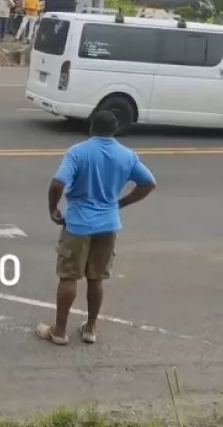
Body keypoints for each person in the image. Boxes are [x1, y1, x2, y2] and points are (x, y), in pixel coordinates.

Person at [37, 110, 157, 345]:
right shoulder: (127, 155)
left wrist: (54, 209)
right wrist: (120, 203)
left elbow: (57, 183)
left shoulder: (78, 153)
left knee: (69, 276)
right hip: (108, 224)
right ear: (115, 129)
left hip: (79, 224)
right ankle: (90, 328)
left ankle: (60, 331)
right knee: (96, 279)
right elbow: (148, 183)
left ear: (91, 127)